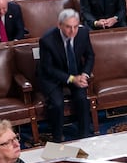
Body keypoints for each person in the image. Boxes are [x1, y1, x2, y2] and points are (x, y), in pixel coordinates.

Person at [38, 8, 94, 142]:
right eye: (68, 27)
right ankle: (58, 137)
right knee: (57, 103)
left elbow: (90, 56)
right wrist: (71, 79)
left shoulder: (83, 33)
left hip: (76, 73)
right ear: (59, 25)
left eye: (75, 26)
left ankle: (84, 136)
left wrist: (84, 75)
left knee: (82, 99)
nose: (72, 31)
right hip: (53, 77)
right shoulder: (47, 40)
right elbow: (48, 68)